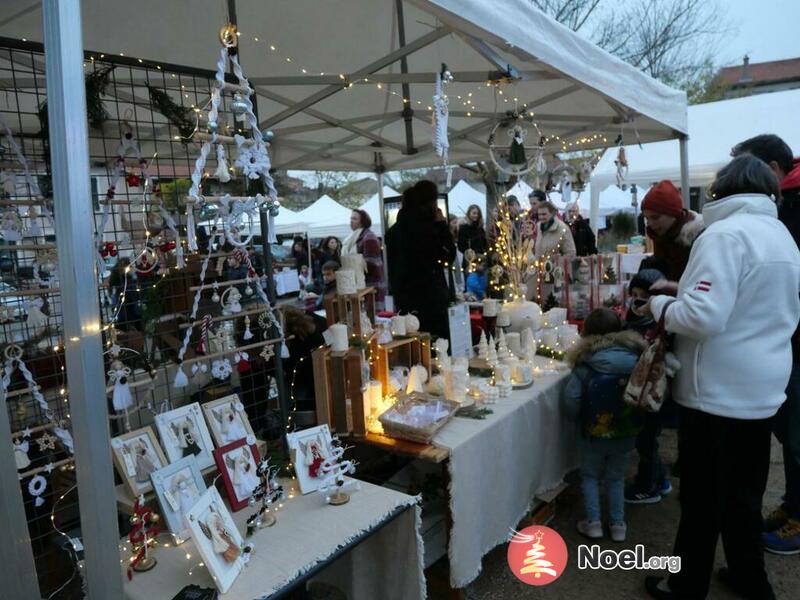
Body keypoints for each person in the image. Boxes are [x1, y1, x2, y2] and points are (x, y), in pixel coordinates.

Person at [639, 155, 800, 600]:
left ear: (722, 192)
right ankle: (751, 579)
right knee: (745, 496)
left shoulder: (724, 234)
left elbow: (703, 316)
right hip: (762, 386)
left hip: (715, 392)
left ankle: (686, 584)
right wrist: (683, 291)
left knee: (702, 499)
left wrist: (659, 306)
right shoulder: (779, 233)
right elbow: (748, 300)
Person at [732, 134, 800, 554]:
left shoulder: (791, 206)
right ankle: (792, 505)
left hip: (794, 334)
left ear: (772, 170)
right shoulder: (784, 205)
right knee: (788, 429)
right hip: (786, 335)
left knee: (796, 434)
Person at [563, 308, 646, 543]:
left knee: (589, 475)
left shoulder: (585, 364)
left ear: (587, 332)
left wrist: (577, 419)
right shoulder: (636, 360)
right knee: (616, 477)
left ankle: (594, 523)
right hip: (627, 430)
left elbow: (571, 400)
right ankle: (618, 525)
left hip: (593, 433)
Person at [622, 267, 675, 506]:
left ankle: (647, 487)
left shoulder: (664, 324)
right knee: (647, 439)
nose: (637, 301)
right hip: (643, 387)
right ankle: (660, 480)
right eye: (634, 295)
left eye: (643, 297)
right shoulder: (633, 318)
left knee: (646, 440)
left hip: (654, 390)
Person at [385, 180, 456, 339]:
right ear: (430, 202)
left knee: (412, 347)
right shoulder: (427, 229)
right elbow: (448, 256)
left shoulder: (394, 231)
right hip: (431, 301)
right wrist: (442, 226)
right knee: (436, 348)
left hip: (405, 300)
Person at [641, 180, 704, 282]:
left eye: (655, 217)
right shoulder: (662, 237)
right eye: (647, 218)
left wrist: (673, 288)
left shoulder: (700, 238)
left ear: (673, 214)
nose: (650, 224)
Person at [282, 306, 328, 410]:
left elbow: (289, 367)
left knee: (288, 386)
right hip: (324, 371)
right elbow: (330, 340)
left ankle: (291, 414)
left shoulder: (296, 342)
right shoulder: (320, 321)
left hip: (304, 380)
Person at [342, 209, 385, 308]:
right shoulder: (353, 237)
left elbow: (372, 263)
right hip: (358, 284)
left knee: (370, 316)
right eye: (351, 218)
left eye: (355, 219)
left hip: (370, 285)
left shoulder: (369, 237)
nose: (351, 221)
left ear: (363, 221)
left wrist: (353, 263)